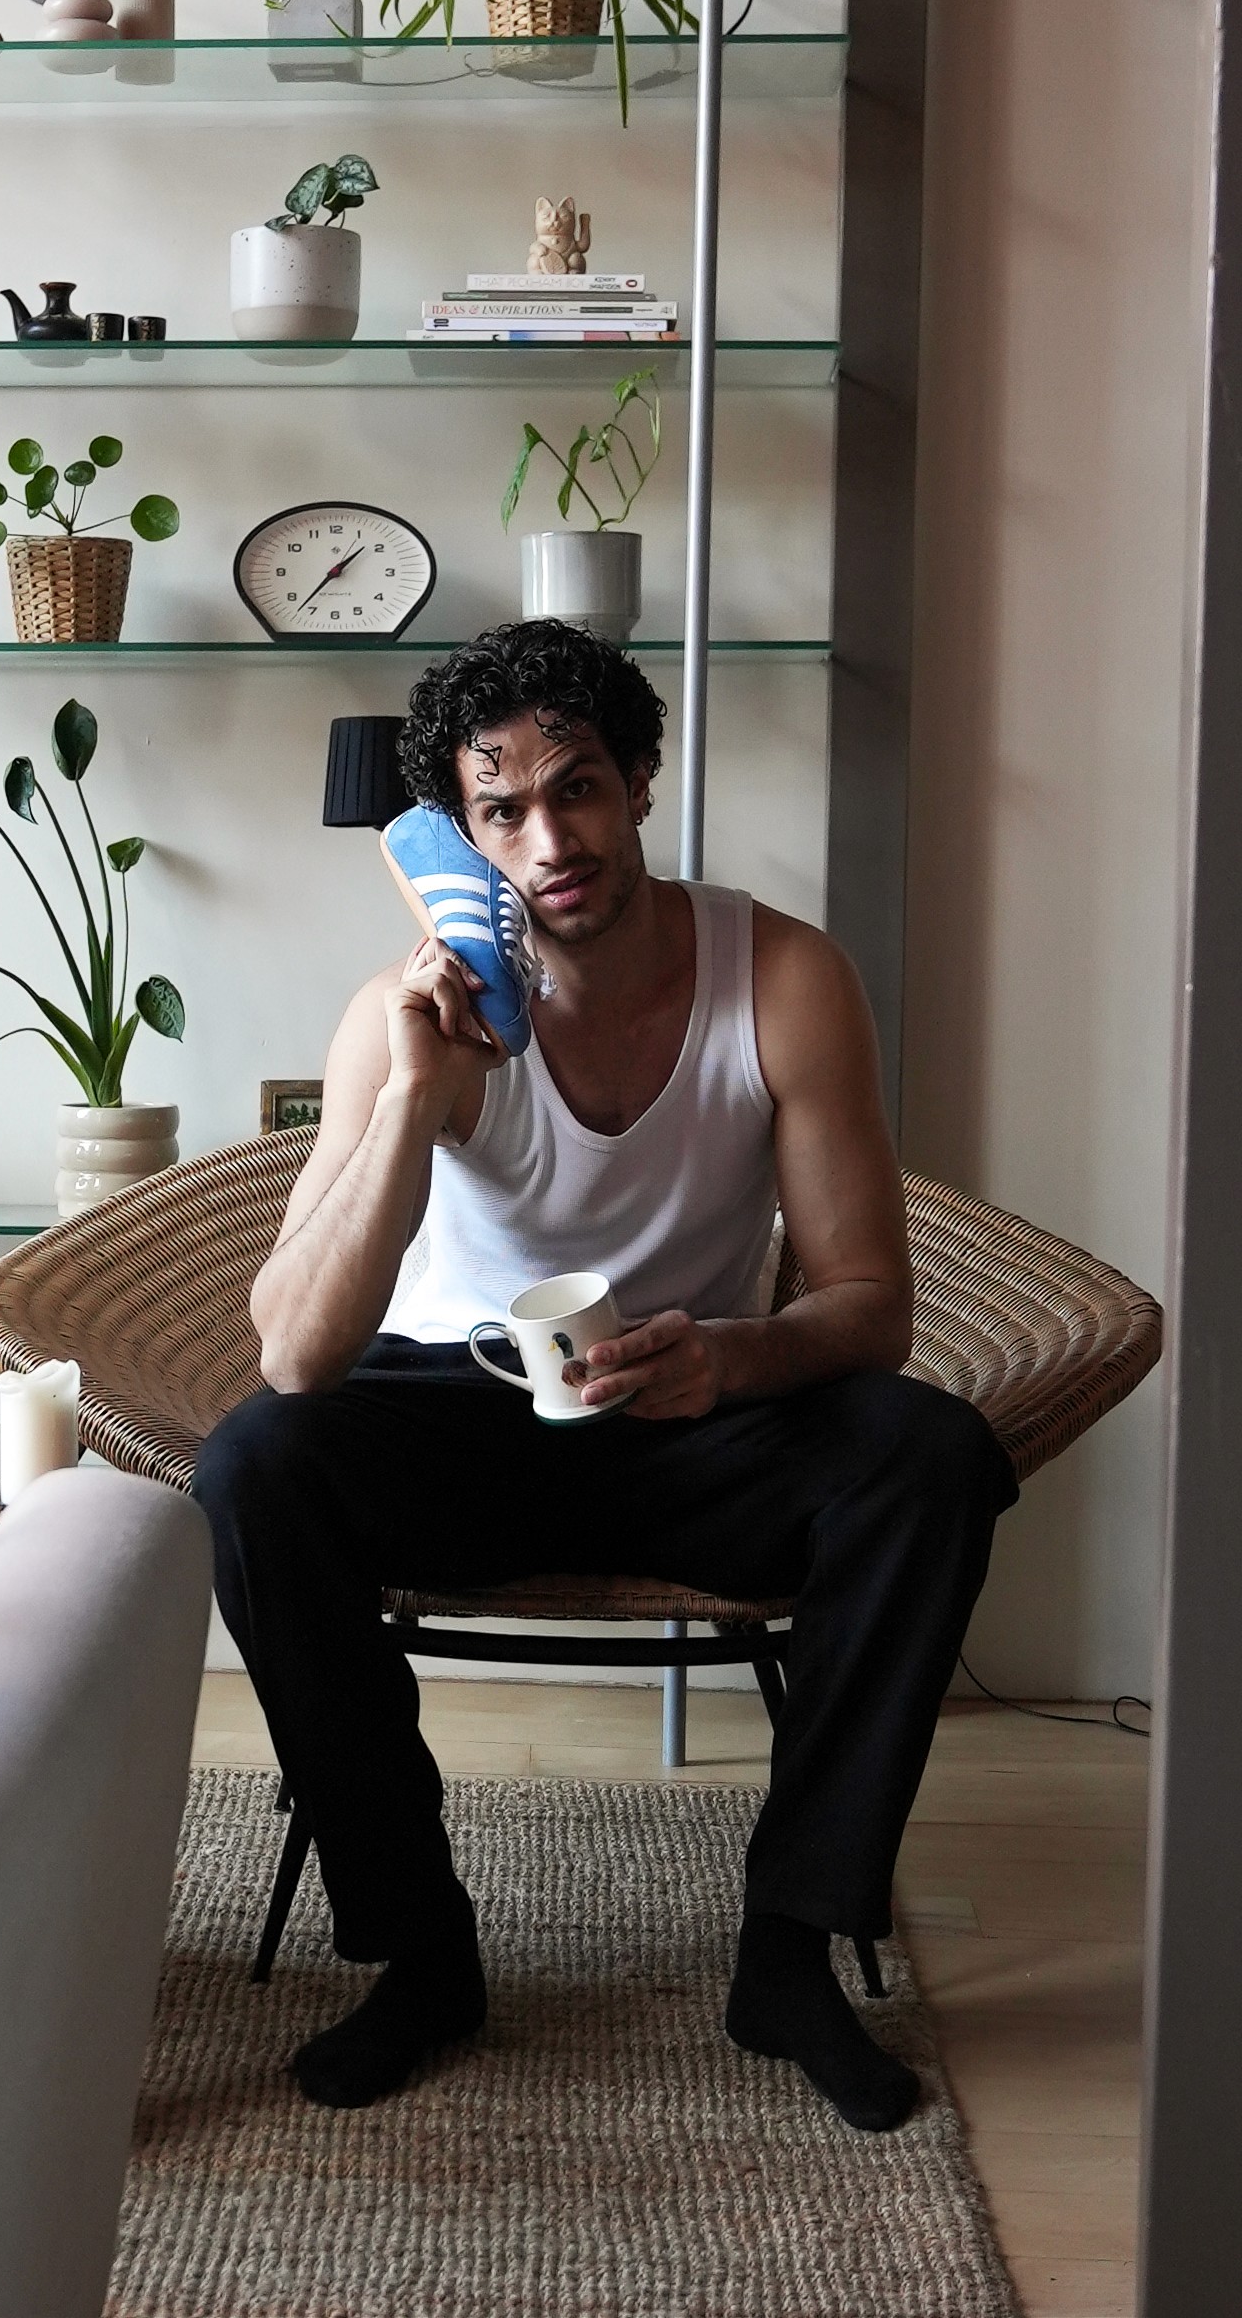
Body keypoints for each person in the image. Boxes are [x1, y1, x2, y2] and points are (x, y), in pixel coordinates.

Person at [192, 620, 1017, 2132]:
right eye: (500, 811)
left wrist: (736, 1356)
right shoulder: (402, 1015)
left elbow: (870, 1306)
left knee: (931, 1456)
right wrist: (415, 1103)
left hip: (686, 1410)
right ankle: (423, 1953)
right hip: (455, 1414)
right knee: (254, 1469)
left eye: (577, 789)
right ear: (460, 829)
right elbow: (299, 1351)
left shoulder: (781, 976)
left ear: (641, 782)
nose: (548, 840)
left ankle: (789, 1951)